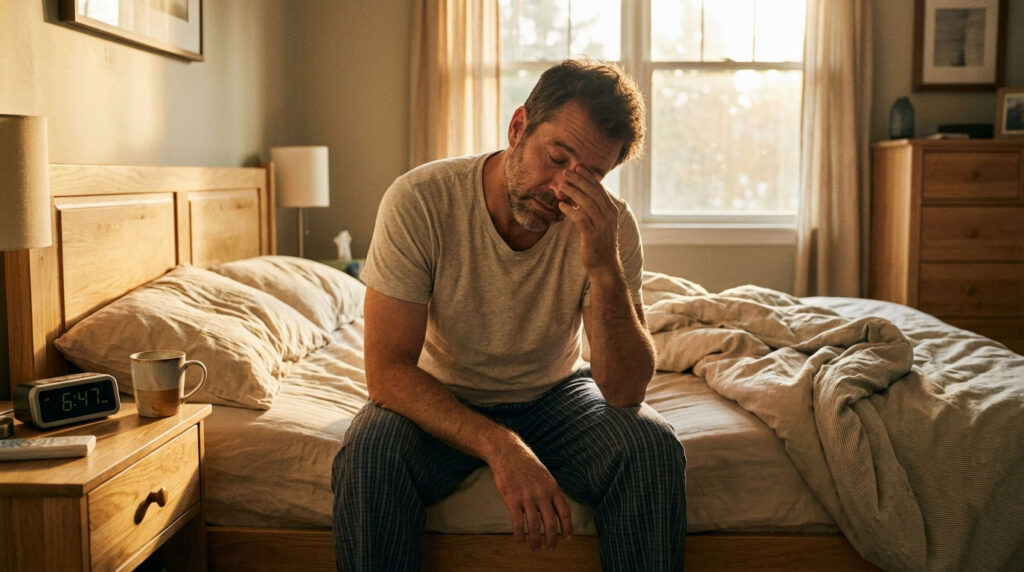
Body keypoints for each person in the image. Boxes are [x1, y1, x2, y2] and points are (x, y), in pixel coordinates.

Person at [332, 59, 687, 571]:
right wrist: (501, 446)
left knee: (651, 447)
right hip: (442, 393)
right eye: (557, 157)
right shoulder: (420, 201)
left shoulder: (607, 225)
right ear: (518, 127)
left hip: (555, 394)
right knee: (370, 455)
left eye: (590, 175)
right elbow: (386, 373)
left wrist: (605, 268)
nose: (563, 188)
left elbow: (625, 391)